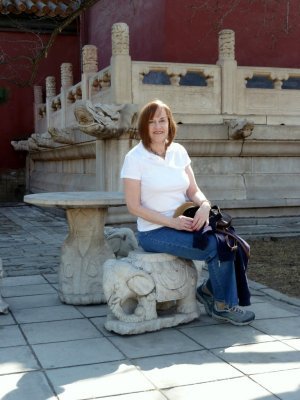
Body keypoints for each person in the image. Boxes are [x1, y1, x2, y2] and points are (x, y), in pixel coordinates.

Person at [120, 99, 255, 326]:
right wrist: (172, 223)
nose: (157, 126)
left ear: (170, 123)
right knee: (213, 247)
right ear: (144, 126)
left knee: (231, 241)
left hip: (186, 221)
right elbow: (133, 206)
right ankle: (222, 306)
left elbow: (193, 190)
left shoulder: (178, 151)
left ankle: (210, 291)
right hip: (154, 231)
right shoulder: (134, 158)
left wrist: (204, 206)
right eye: (151, 122)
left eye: (162, 120)